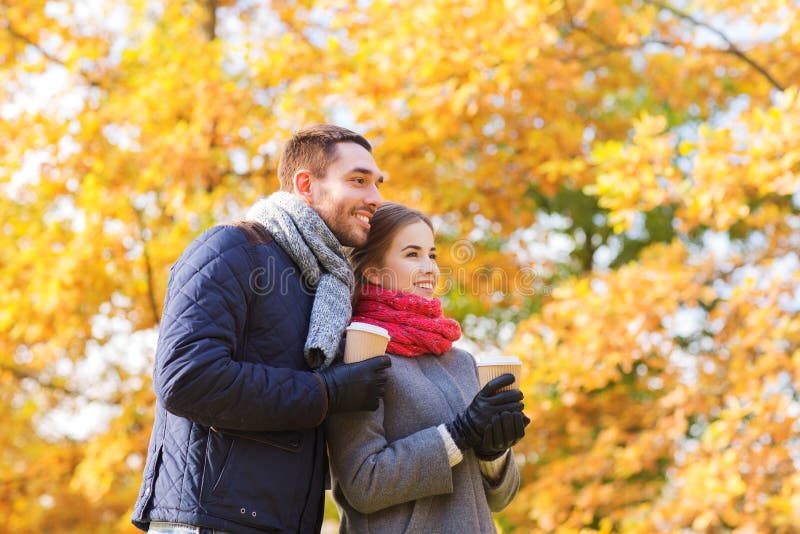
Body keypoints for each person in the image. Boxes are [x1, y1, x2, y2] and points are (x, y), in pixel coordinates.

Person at [131, 124, 393, 534]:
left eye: (377, 184)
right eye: (358, 181)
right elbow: (185, 378)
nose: (375, 198)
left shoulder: (325, 287)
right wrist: (329, 393)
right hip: (210, 520)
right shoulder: (231, 248)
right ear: (305, 184)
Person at [326, 203, 530, 533]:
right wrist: (458, 434)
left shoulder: (460, 361)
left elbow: (499, 500)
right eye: (412, 255)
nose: (429, 268)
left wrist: (493, 453)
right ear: (375, 272)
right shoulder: (361, 353)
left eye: (432, 255)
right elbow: (363, 482)